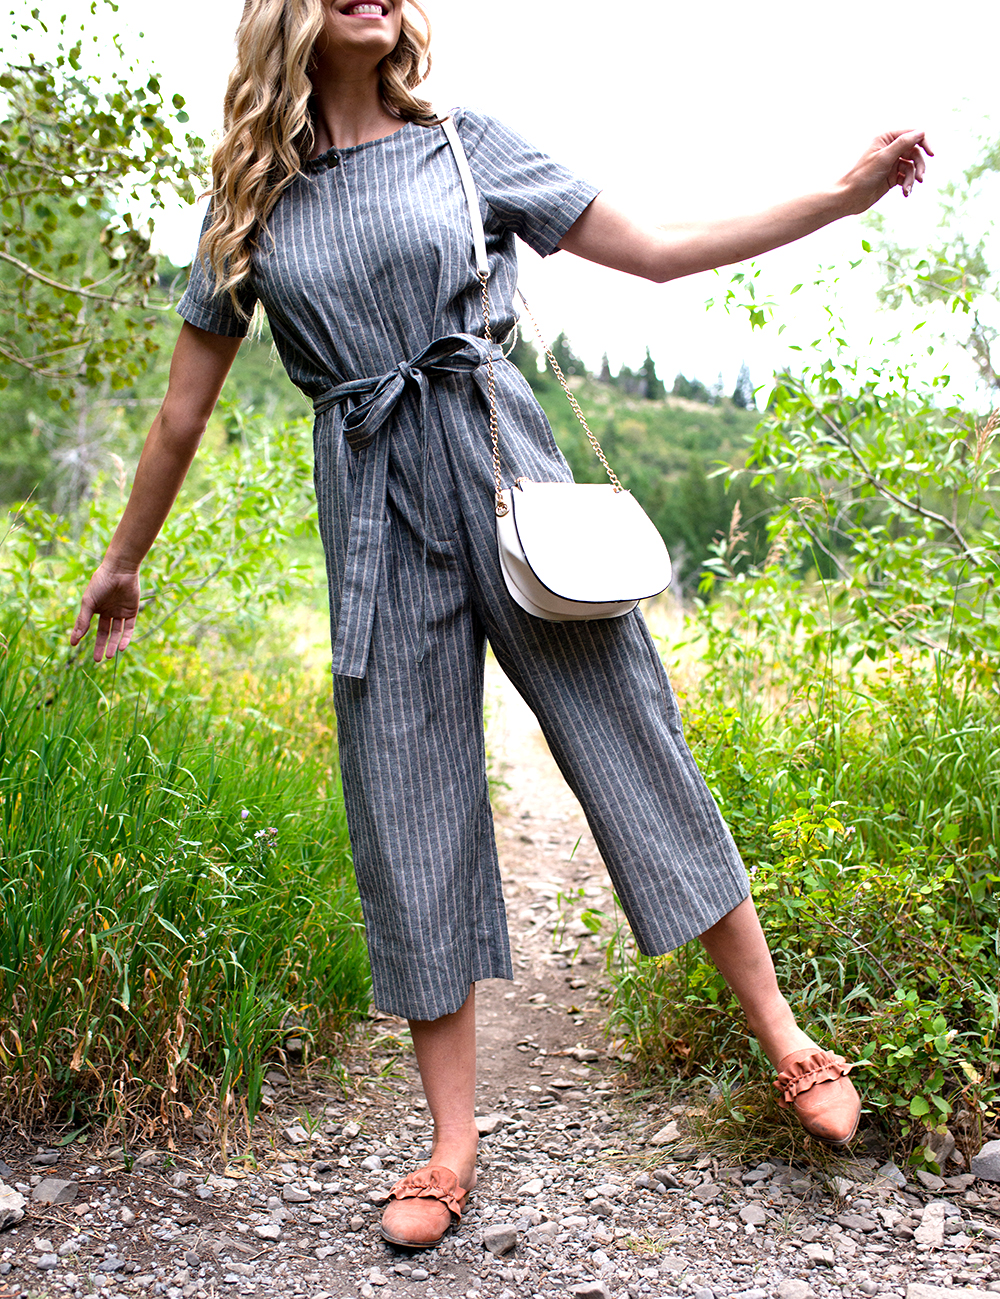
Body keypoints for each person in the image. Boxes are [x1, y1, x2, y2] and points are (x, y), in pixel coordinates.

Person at [70, 0, 932, 1252]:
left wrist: (839, 197)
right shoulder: (248, 203)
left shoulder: (465, 142)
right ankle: (450, 1144)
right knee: (404, 796)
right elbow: (180, 416)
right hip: (368, 504)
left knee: (630, 732)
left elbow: (659, 248)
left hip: (499, 469)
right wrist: (121, 563)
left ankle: (789, 1038)